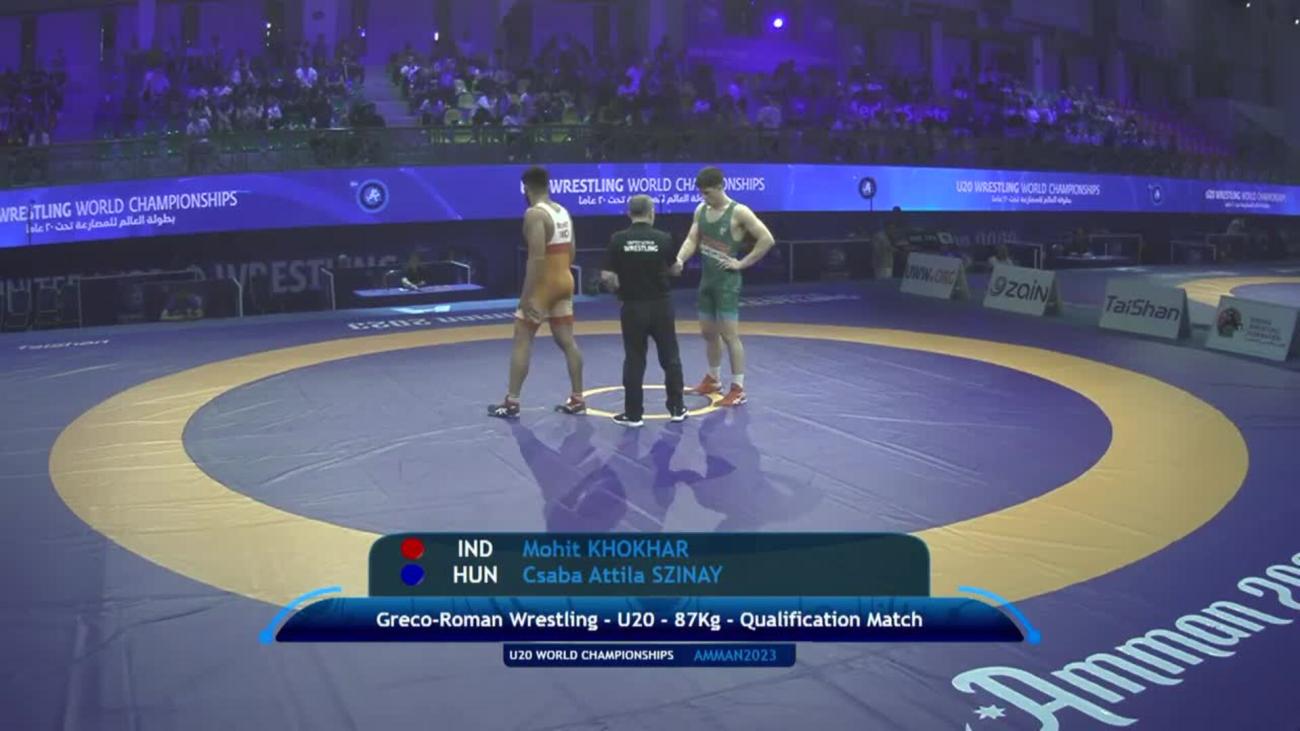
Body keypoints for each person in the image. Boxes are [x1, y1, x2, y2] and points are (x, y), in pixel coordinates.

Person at [672, 166, 775, 406]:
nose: (704, 197)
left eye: (707, 193)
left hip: (727, 282)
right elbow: (692, 239)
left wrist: (742, 263)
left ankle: (738, 388)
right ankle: (713, 379)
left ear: (720, 187)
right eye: (701, 193)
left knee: (729, 335)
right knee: (708, 333)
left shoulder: (739, 212)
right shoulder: (701, 210)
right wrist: (680, 259)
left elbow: (767, 239)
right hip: (707, 281)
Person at [488, 166, 585, 419]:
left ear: (526, 189)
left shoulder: (534, 214)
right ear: (548, 185)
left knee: (523, 339)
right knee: (568, 341)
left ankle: (512, 402)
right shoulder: (562, 211)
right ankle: (577, 398)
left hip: (544, 286)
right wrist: (560, 274)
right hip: (565, 280)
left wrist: (526, 297)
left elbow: (536, 259)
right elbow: (572, 250)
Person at [601, 195, 687, 427]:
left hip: (633, 306)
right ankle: (677, 408)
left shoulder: (618, 239)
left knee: (635, 358)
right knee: (670, 356)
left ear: (629, 213)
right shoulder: (663, 238)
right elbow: (675, 269)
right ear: (652, 213)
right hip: (661, 305)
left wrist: (618, 288)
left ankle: (633, 414)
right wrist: (673, 268)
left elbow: (607, 276)